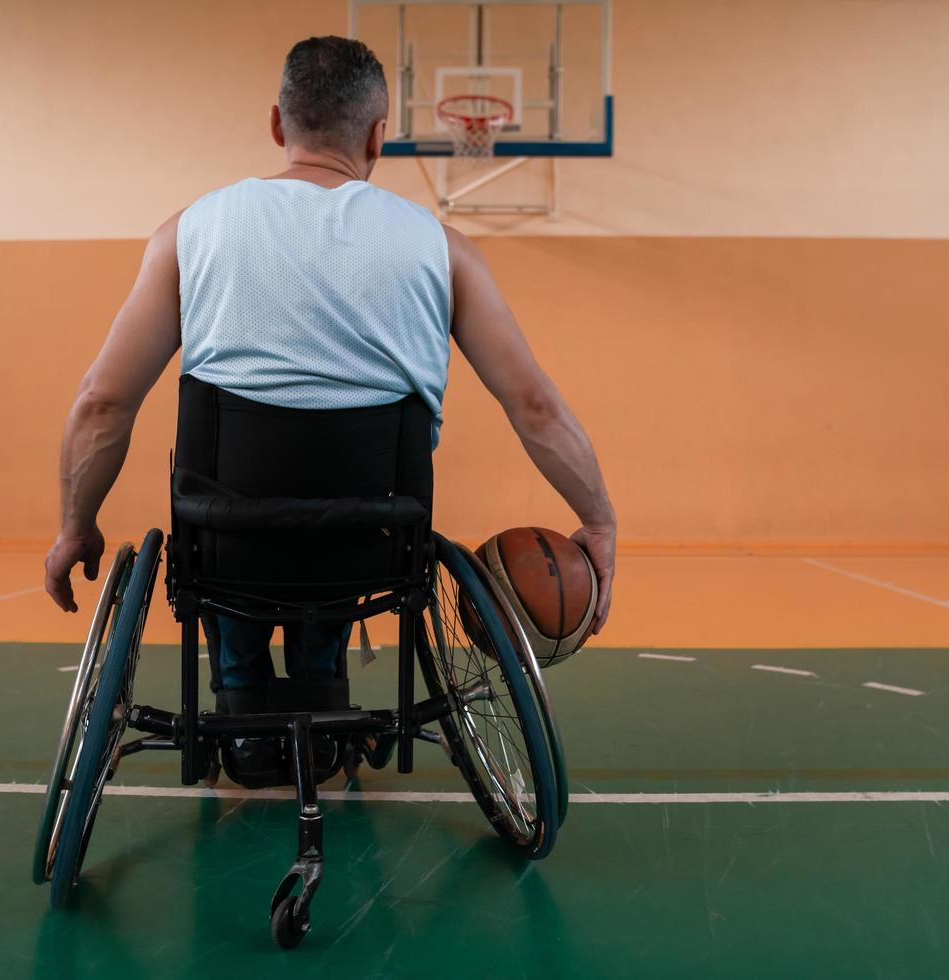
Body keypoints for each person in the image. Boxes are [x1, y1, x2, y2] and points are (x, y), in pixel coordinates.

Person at [43, 35, 615, 747]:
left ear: (279, 125)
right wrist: (599, 520)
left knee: (232, 531)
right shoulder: (442, 250)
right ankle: (322, 677)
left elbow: (103, 402)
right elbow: (534, 406)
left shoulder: (187, 235)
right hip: (369, 550)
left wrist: (76, 524)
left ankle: (241, 693)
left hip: (225, 548)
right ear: (379, 135)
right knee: (344, 526)